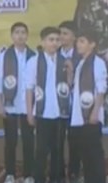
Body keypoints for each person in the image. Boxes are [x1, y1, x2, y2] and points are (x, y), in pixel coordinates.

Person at [26, 26, 71, 183]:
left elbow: (70, 86)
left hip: (60, 112)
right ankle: (38, 179)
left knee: (58, 149)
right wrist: (29, 113)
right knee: (41, 150)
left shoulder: (64, 61)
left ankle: (57, 179)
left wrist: (70, 71)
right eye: (51, 40)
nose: (54, 43)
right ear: (43, 42)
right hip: (42, 113)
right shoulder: (34, 61)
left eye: (57, 40)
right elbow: (29, 88)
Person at [0, 22, 36, 183]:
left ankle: (29, 174)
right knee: (10, 141)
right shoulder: (4, 55)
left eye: (23, 32)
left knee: (28, 141)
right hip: (10, 104)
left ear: (27, 35)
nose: (20, 35)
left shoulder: (34, 55)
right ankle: (10, 173)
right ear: (12, 36)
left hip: (28, 105)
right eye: (17, 32)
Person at [69, 30, 106, 183]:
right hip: (79, 117)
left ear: (92, 44)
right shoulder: (81, 63)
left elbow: (102, 89)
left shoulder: (97, 62)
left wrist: (95, 112)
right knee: (85, 154)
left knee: (93, 154)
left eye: (82, 41)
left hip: (91, 116)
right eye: (78, 41)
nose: (78, 44)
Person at [58, 20, 80, 183]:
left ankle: (74, 172)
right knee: (57, 140)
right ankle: (57, 173)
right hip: (57, 105)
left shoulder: (82, 55)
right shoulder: (53, 53)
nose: (61, 37)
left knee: (75, 140)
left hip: (77, 106)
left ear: (74, 37)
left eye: (65, 33)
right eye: (60, 33)